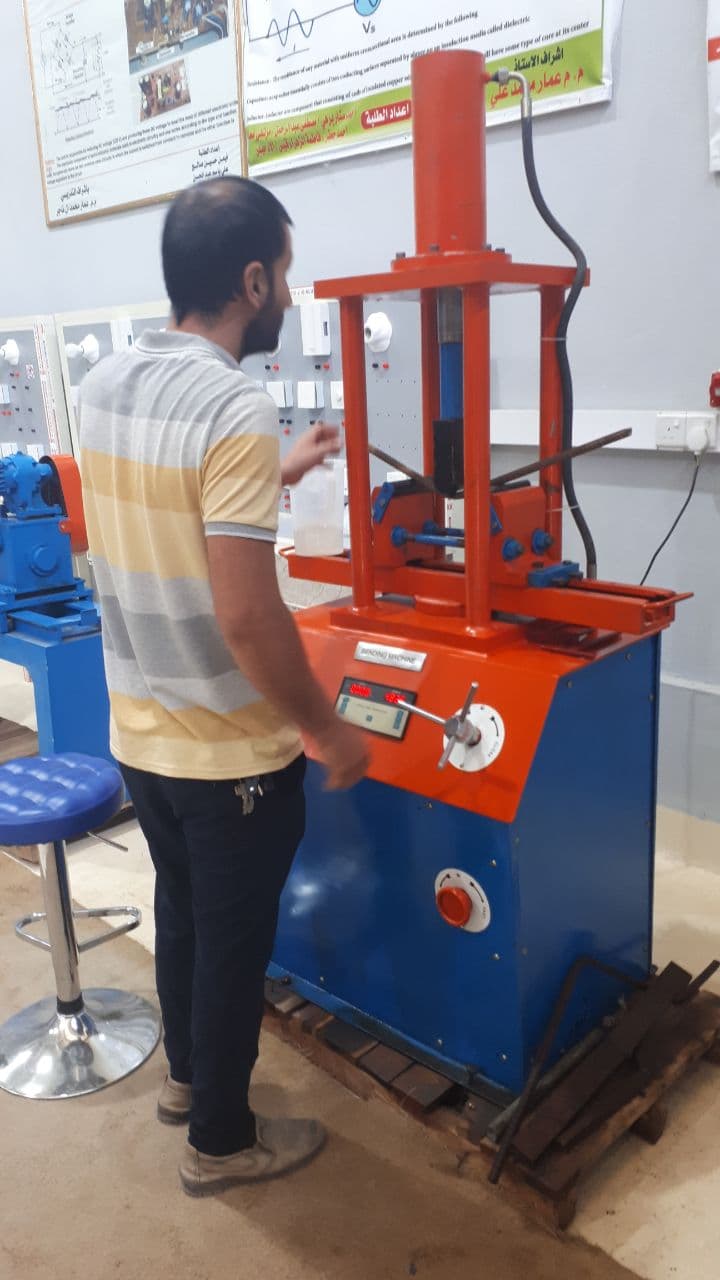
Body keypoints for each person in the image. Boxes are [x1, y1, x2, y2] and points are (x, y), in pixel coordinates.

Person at [78, 177, 369, 1197]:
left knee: (185, 913)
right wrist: (328, 727)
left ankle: (185, 1081)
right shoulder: (237, 403)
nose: (287, 291)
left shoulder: (106, 381)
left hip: (139, 735)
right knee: (233, 948)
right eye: (283, 273)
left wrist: (275, 473)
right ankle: (220, 1141)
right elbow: (248, 616)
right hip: (229, 756)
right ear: (252, 281)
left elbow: (158, 501)